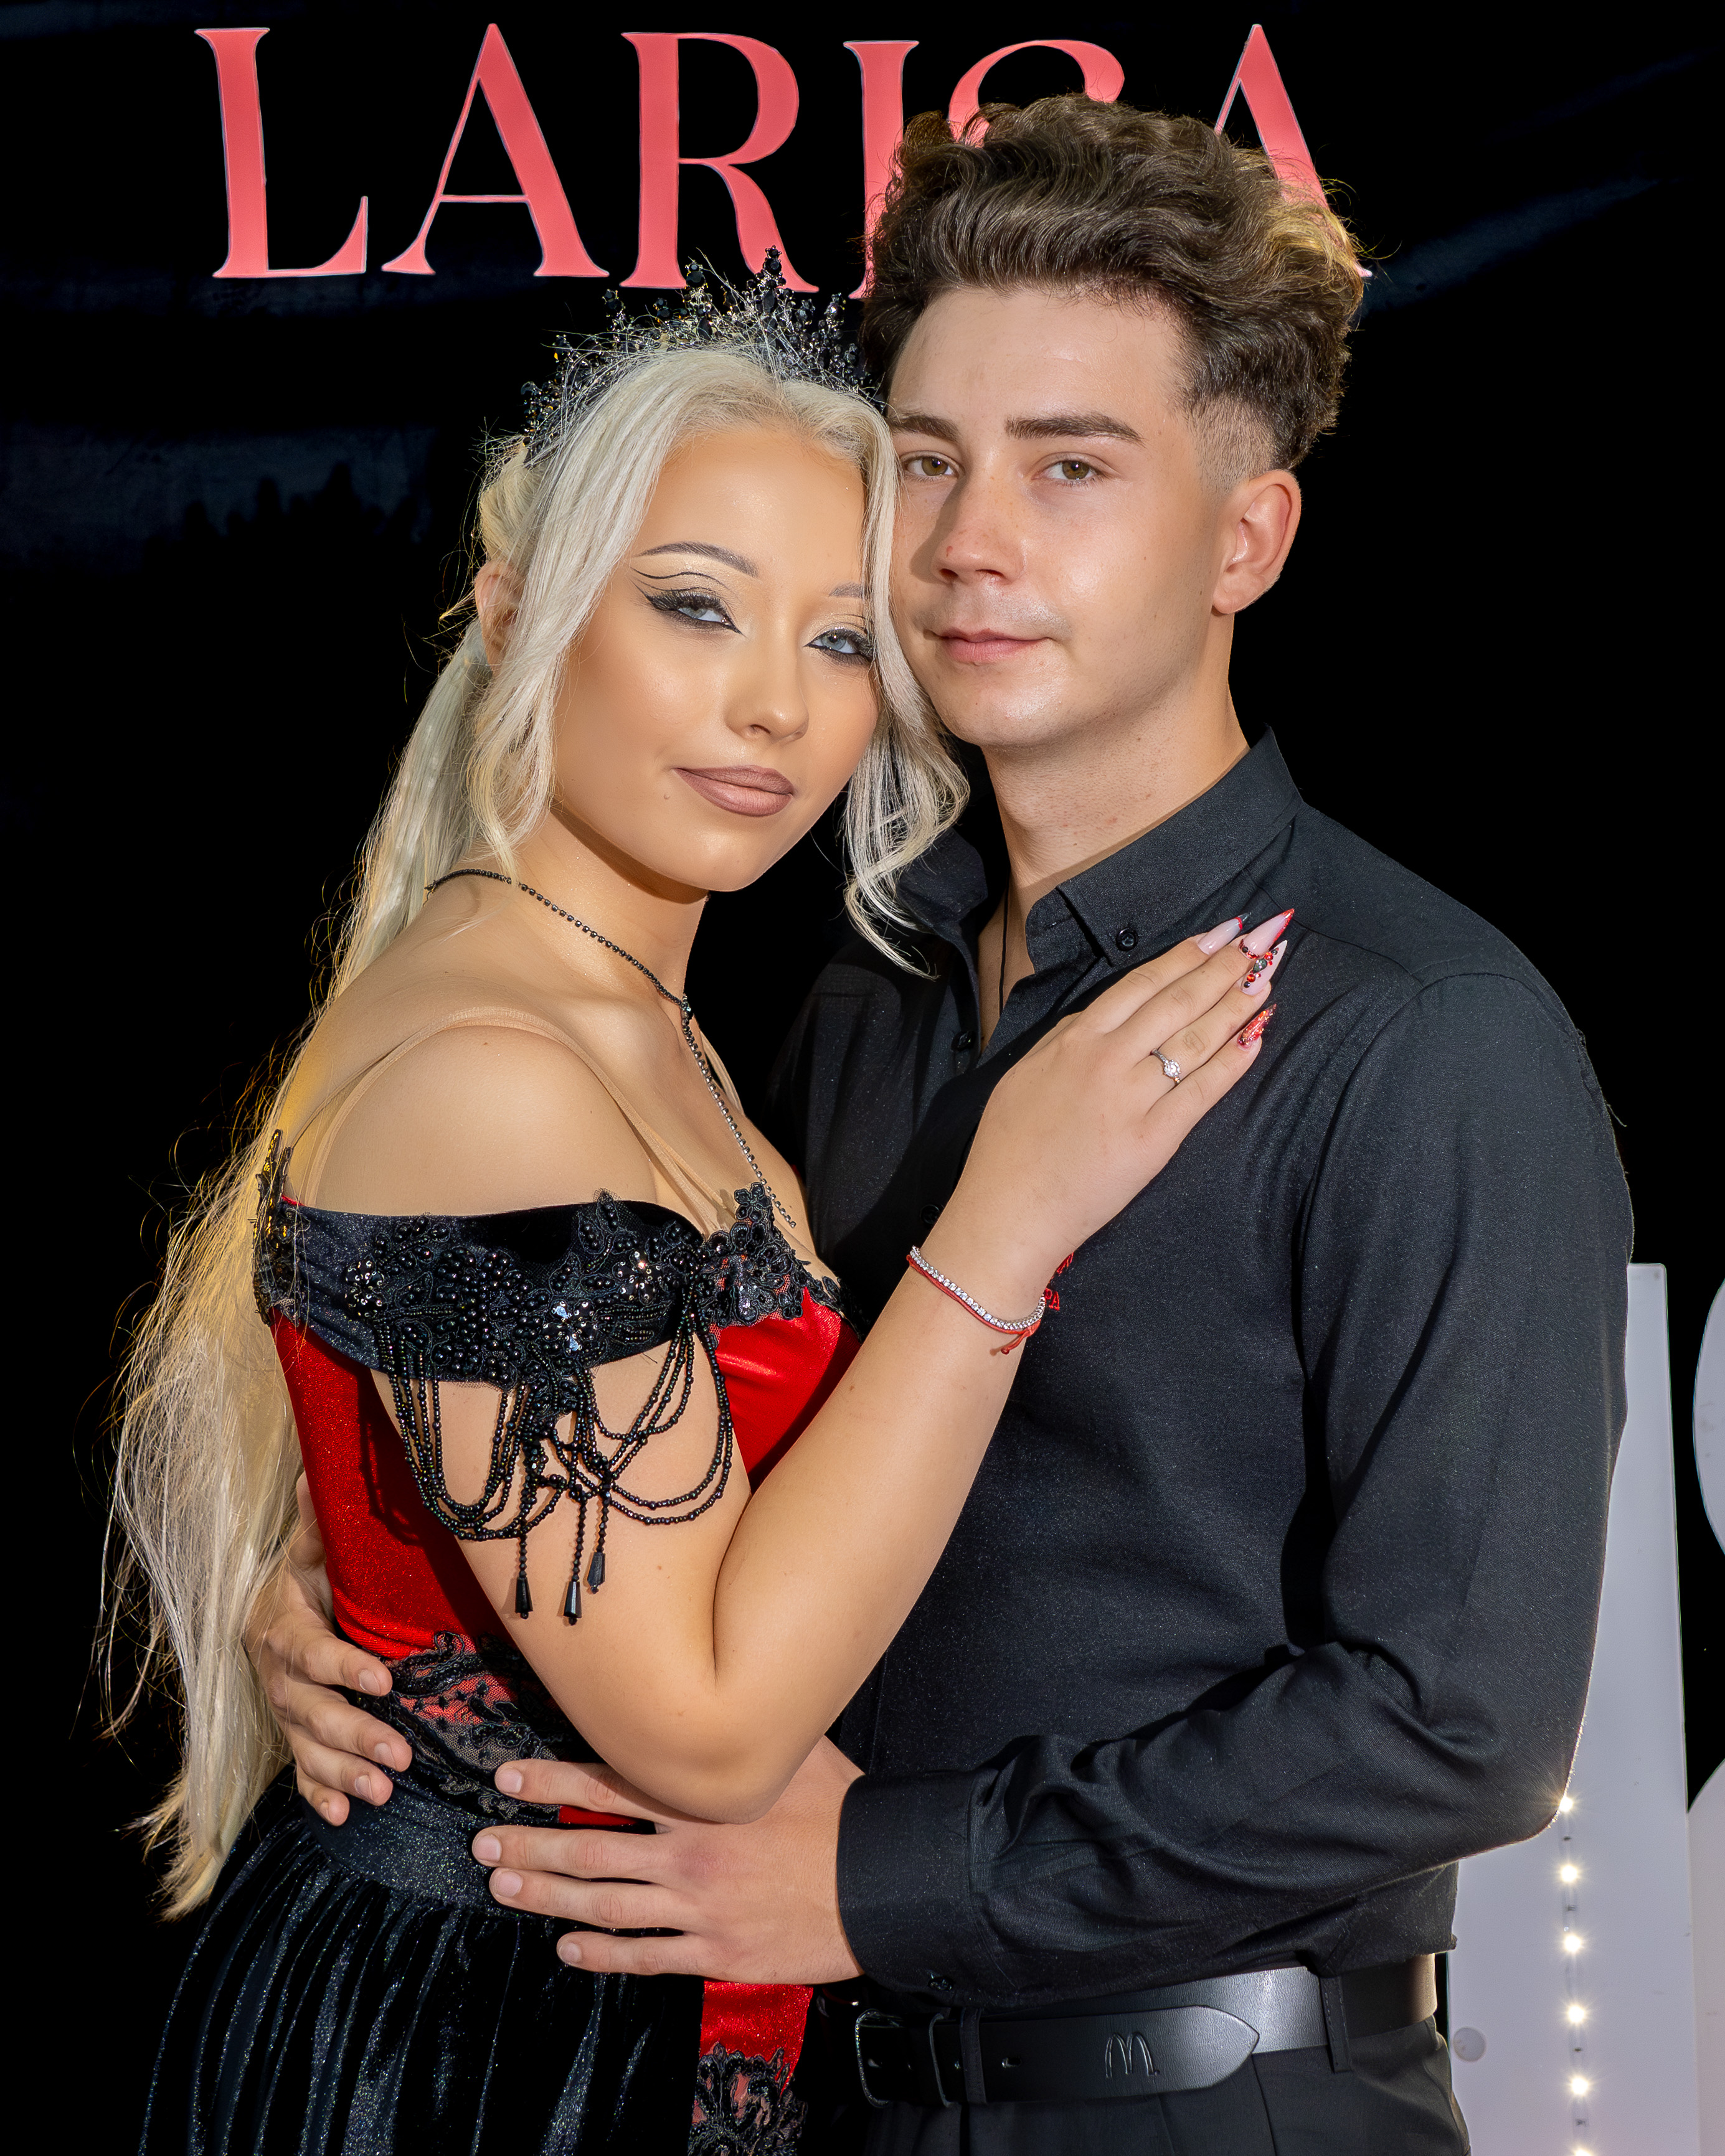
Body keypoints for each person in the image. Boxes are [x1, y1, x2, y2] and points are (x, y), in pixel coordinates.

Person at [260, 100, 1634, 2154]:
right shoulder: (849, 991)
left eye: (1070, 468)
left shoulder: (1420, 1035)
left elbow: (1457, 1724)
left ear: (1245, 540)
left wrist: (876, 1879)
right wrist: (387, 1607)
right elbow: (694, 1476)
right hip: (802, 2096)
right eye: (924, 462)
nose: (971, 542)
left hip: (1210, 2110)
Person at [110, 275, 1274, 2156]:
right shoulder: (499, 1073)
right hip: (474, 2043)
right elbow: (709, 1733)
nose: (775, 708)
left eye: (840, 638)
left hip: (607, 2000)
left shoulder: (646, 1021)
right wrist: (1006, 1226)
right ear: (514, 610)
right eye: (695, 605)